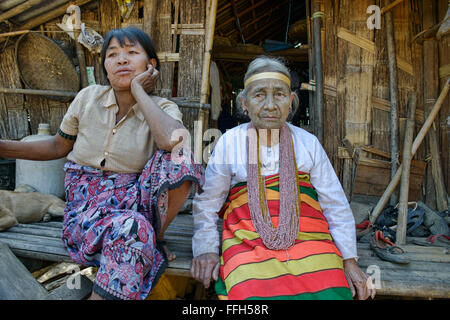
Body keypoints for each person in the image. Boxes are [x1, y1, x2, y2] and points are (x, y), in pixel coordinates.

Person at [0, 27, 204, 300]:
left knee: (181, 156)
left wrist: (138, 93)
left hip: (134, 202)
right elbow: (57, 146)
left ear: (151, 65)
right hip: (86, 207)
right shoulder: (87, 98)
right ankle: (146, 239)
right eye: (113, 55)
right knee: (133, 229)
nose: (122, 60)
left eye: (132, 52)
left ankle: (153, 234)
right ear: (105, 66)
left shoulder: (162, 108)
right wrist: (3, 147)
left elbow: (173, 140)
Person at [190, 56, 376, 300]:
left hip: (311, 239)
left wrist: (349, 260)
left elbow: (335, 204)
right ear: (244, 103)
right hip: (248, 242)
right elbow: (207, 203)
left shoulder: (307, 143)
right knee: (252, 289)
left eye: (279, 94)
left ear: (290, 102)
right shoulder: (229, 142)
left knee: (329, 286)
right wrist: (205, 249)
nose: (270, 105)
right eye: (259, 95)